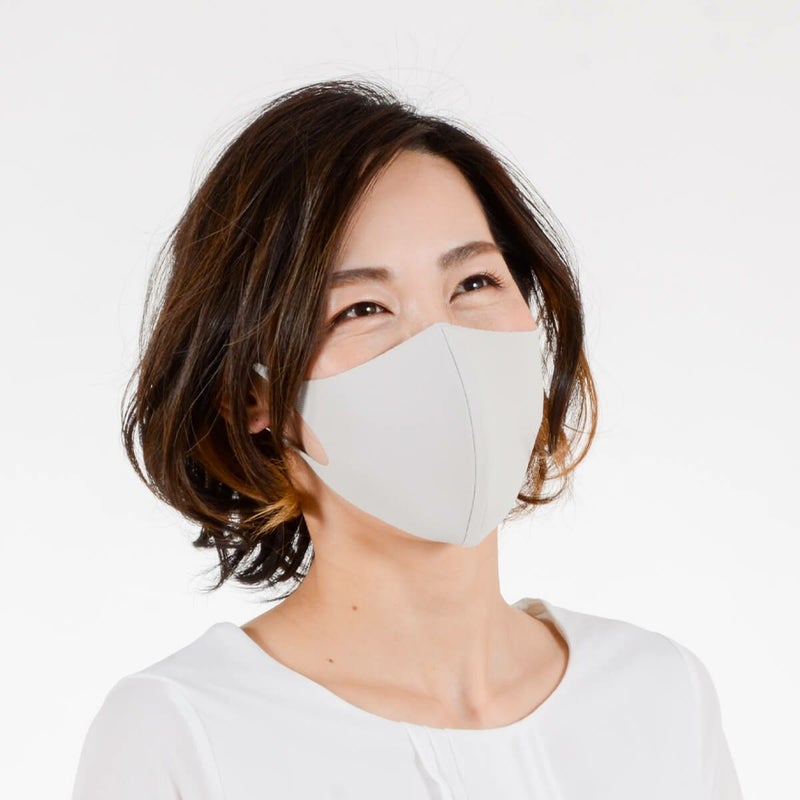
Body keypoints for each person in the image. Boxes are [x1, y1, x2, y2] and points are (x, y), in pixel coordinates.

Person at [71, 78, 743, 799]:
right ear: (253, 395)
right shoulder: (182, 734)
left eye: (475, 283)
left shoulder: (661, 695)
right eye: (363, 308)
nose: (445, 348)